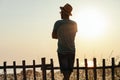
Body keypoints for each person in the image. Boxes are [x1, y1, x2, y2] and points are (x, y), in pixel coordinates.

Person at [52, 3, 77, 80]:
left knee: (66, 74)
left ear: (63, 13)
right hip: (71, 50)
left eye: (61, 12)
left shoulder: (58, 23)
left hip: (62, 51)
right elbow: (73, 35)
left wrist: (61, 36)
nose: (60, 14)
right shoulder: (74, 24)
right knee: (68, 73)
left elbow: (53, 36)